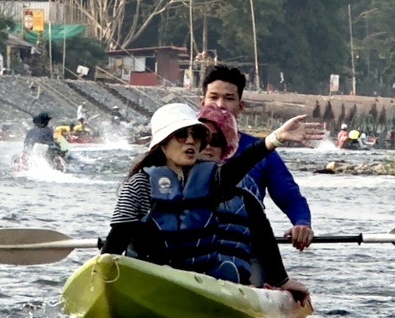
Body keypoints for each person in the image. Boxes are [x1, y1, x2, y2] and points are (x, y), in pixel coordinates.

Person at [100, 102, 315, 297]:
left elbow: (241, 165)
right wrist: (101, 280)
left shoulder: (211, 180)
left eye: (196, 135)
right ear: (162, 143)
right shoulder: (139, 184)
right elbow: (117, 237)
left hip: (200, 282)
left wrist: (274, 139)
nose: (191, 141)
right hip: (152, 276)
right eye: (182, 135)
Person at [200, 64, 315, 251]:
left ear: (240, 106)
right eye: (213, 97)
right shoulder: (185, 146)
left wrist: (302, 223)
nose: (220, 105)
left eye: (229, 99)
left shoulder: (263, 153)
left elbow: (289, 196)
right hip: (196, 249)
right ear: (202, 102)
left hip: (245, 249)